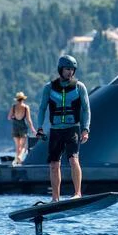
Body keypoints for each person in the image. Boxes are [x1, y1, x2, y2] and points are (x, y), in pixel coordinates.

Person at [36, 54, 90, 202]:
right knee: (54, 164)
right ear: (60, 69)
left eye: (72, 70)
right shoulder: (49, 87)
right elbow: (42, 108)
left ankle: (77, 193)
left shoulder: (80, 87)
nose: (70, 72)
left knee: (73, 160)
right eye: (67, 69)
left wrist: (86, 129)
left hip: (72, 129)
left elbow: (86, 109)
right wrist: (39, 128)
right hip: (55, 130)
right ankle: (55, 198)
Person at [7, 91, 36, 165]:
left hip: (15, 127)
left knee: (17, 145)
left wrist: (14, 116)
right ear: (23, 99)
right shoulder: (26, 107)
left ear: (17, 99)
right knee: (23, 146)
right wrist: (33, 129)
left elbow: (9, 117)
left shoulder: (14, 107)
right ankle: (19, 157)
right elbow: (28, 120)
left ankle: (17, 160)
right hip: (23, 127)